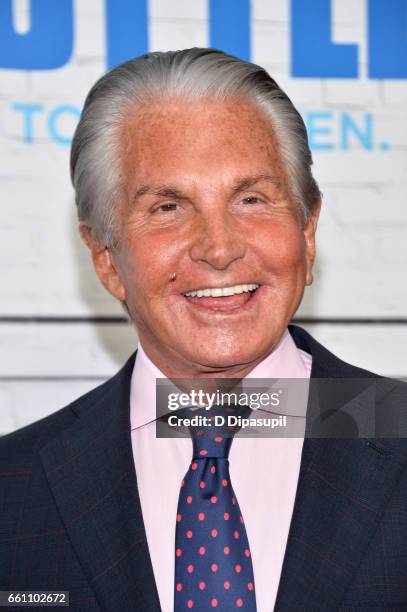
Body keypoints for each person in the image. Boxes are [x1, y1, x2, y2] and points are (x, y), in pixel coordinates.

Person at [1, 48, 406, 612]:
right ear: (106, 259)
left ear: (307, 234)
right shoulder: (12, 488)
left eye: (251, 199)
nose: (219, 248)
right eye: (168, 208)